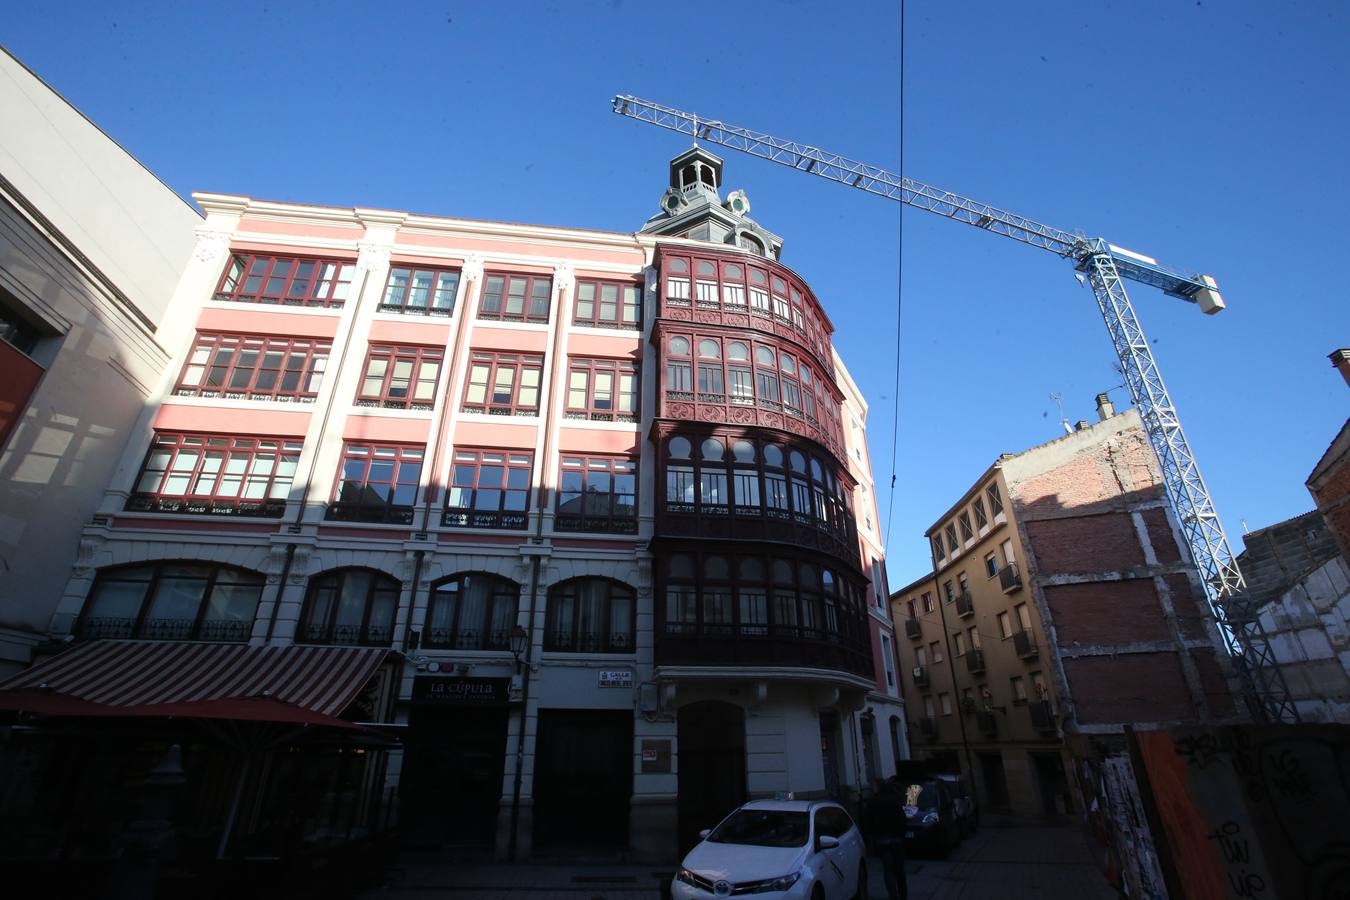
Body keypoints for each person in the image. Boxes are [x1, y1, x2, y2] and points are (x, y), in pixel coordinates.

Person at [862, 777, 909, 900]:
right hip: (897, 838)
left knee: (888, 870)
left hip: (882, 839)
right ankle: (903, 895)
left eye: (873, 786)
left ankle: (893, 896)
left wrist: (871, 836)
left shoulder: (873, 802)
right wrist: (902, 834)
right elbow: (902, 819)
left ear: (877, 787)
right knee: (899, 870)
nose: (872, 789)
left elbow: (867, 822)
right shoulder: (894, 800)